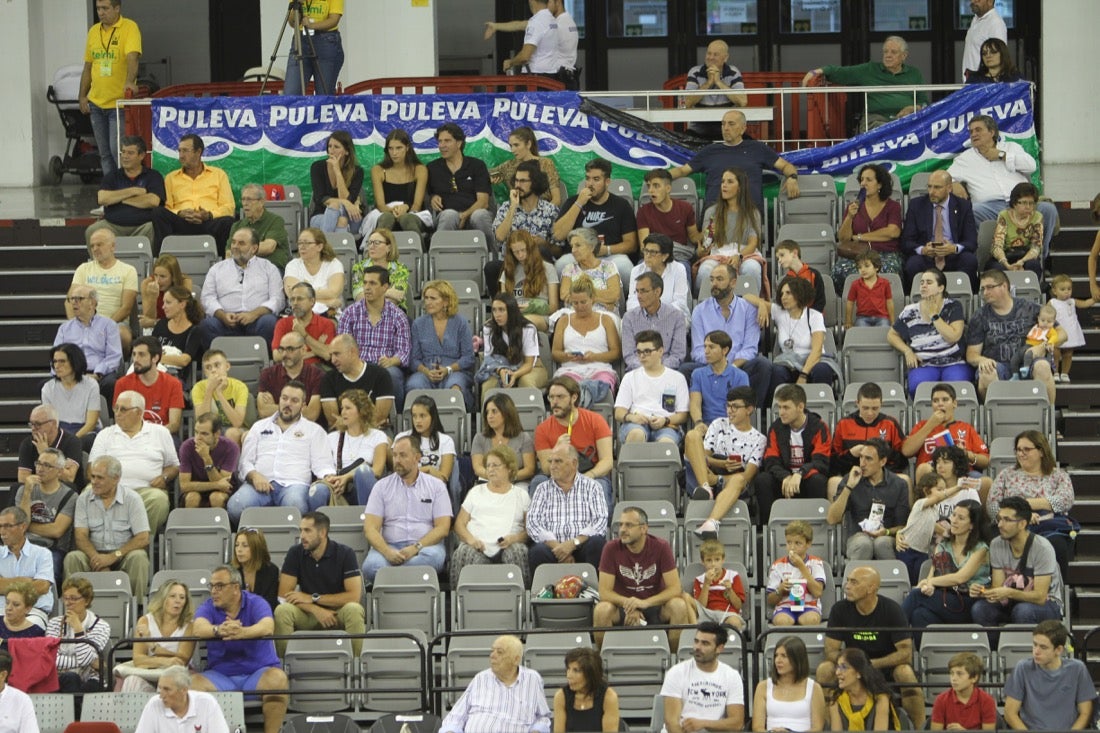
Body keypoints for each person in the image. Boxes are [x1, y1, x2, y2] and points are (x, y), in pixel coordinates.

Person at [817, 566, 924, 728]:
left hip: (884, 667)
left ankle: (919, 729)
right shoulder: (839, 609)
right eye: (847, 581)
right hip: (852, 667)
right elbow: (830, 651)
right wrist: (851, 666)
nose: (847, 586)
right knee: (825, 669)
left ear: (871, 588)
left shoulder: (892, 609)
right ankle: (827, 728)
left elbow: (905, 653)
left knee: (905, 672)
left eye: (854, 582)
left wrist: (871, 665)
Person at [189, 565, 287, 733]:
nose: (213, 591)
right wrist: (219, 630)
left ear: (235, 588)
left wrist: (243, 633)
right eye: (211, 586)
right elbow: (198, 628)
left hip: (257, 674)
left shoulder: (256, 602)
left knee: (277, 680)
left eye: (219, 586)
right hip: (221, 676)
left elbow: (267, 626)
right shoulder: (208, 606)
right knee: (193, 684)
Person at [948, 115, 1058, 258]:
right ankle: (984, 260)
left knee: (1048, 209)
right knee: (971, 210)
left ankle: (1038, 257)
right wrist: (953, 183)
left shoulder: (1011, 148)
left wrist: (1002, 155)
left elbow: (1031, 165)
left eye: (978, 130)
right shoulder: (965, 159)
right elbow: (943, 178)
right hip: (989, 208)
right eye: (971, 132)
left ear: (992, 132)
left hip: (1022, 204)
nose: (973, 134)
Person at [227, 382, 336, 523]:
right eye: (284, 398)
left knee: (296, 507)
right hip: (258, 484)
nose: (288, 403)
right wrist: (254, 476)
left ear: (303, 405)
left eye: (294, 400)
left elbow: (322, 464)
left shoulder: (314, 431)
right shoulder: (259, 427)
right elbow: (245, 462)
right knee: (235, 507)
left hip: (294, 485)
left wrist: (328, 476)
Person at [593, 505, 690, 650]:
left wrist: (644, 603)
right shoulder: (611, 549)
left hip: (655, 605)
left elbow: (675, 589)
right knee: (601, 610)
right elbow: (604, 592)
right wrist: (631, 605)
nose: (622, 530)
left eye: (629, 525)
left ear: (644, 528)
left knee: (679, 606)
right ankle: (602, 662)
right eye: (621, 525)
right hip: (623, 607)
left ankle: (674, 661)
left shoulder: (661, 547)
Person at [361, 435, 452, 583]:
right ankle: (410, 575)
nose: (397, 460)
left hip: (424, 548)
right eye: (395, 455)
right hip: (389, 547)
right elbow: (370, 528)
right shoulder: (381, 487)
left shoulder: (436, 486)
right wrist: (387, 552)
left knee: (433, 559)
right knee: (370, 567)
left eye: (403, 455)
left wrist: (416, 548)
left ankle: (390, 576)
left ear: (417, 458)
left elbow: (443, 528)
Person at [670, 109, 800, 212]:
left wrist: (792, 177)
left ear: (743, 128)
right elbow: (682, 170)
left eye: (731, 124)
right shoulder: (709, 151)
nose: (726, 128)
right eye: (723, 124)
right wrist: (662, 176)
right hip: (715, 214)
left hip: (748, 212)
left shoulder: (757, 148)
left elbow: (785, 166)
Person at [274, 511, 365, 655]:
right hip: (307, 614)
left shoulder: (345, 553)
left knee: (354, 609)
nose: (302, 536)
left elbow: (354, 596)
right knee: (282, 611)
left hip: (337, 613)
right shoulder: (295, 553)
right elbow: (283, 596)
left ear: (322, 533)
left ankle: (356, 665)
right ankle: (284, 665)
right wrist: (316, 609)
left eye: (307, 531)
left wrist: (314, 598)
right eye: (301, 530)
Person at [988, 430, 1076, 577]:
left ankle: (1054, 592)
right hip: (1012, 524)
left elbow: (1064, 501)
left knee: (1058, 544)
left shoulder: (1058, 475)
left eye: (1026, 449)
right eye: (1018, 450)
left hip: (1047, 525)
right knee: (994, 536)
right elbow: (992, 506)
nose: (1021, 454)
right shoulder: (1007, 474)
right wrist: (1022, 515)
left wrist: (1025, 505)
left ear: (1041, 451)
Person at [88, 390, 177, 534]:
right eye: (115, 408)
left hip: (146, 491)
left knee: (159, 499)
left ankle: (140, 543)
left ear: (139, 412)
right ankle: (106, 541)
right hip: (111, 490)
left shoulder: (160, 432)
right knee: (87, 494)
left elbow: (173, 466)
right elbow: (91, 467)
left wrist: (165, 477)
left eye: (123, 409)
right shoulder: (105, 434)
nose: (117, 413)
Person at [970, 496, 1063, 629]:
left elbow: (1040, 597)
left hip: (1047, 604)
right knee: (980, 609)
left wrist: (1008, 592)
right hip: (1012, 602)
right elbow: (998, 586)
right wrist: (983, 591)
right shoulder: (997, 544)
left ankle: (1026, 650)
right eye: (999, 519)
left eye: (1007, 520)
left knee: (1022, 611)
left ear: (1022, 524)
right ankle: (996, 649)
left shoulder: (1042, 548)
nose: (1000, 524)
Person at [64, 455, 150, 597]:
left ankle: (137, 608)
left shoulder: (132, 499)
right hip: (93, 554)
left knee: (139, 557)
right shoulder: (83, 499)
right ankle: (73, 606)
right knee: (73, 557)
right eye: (92, 477)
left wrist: (113, 556)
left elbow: (143, 537)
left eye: (100, 478)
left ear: (116, 479)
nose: (94, 482)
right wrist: (98, 560)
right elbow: (80, 536)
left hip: (123, 555)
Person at [966, 268, 1056, 402]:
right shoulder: (979, 316)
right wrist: (982, 360)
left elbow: (1063, 334)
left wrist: (1044, 346)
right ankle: (994, 419)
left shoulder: (1030, 308)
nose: (985, 293)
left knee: (1042, 366)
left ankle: (1048, 417)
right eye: (983, 289)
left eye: (989, 287)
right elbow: (971, 355)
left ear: (1004, 286)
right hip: (998, 365)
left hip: (1028, 362)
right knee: (986, 373)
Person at [901, 499, 991, 631]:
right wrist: (929, 586)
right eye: (953, 515)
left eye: (961, 518)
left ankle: (890, 634)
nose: (954, 521)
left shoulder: (981, 549)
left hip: (969, 601)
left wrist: (930, 581)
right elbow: (933, 574)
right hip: (944, 598)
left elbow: (960, 578)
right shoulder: (943, 546)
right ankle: (917, 650)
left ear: (972, 525)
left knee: (916, 595)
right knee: (919, 615)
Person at [684, 263, 768, 402]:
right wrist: (716, 362)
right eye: (712, 280)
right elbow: (698, 350)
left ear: (733, 282)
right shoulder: (699, 311)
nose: (714, 284)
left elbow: (750, 348)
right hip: (709, 365)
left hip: (739, 365)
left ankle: (752, 412)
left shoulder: (748, 309)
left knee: (763, 365)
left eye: (719, 279)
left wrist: (731, 366)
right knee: (685, 370)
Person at [802, 36, 928, 128]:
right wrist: (816, 72)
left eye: (893, 52)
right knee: (881, 131)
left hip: (907, 121)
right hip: (876, 120)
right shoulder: (870, 69)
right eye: (885, 51)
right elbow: (842, 72)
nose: (888, 55)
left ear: (904, 56)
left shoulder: (914, 73)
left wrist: (913, 108)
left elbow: (925, 102)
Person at [451, 446, 531, 585]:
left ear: (509, 468)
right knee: (463, 552)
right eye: (488, 466)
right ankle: (460, 603)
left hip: (508, 546)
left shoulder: (521, 494)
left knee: (517, 551)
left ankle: (522, 602)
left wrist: (514, 538)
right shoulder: (476, 492)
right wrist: (471, 540)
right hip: (477, 547)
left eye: (495, 465)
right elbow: (459, 524)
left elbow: (530, 530)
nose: (490, 469)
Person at [552, 158, 638, 285]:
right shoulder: (573, 202)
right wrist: (579, 203)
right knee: (561, 265)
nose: (590, 184)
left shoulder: (621, 205)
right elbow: (558, 235)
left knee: (626, 268)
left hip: (610, 255)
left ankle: (619, 301)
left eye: (596, 179)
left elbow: (631, 244)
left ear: (607, 182)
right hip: (577, 254)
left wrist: (606, 250)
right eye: (587, 178)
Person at [440, 635, 551, 733]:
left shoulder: (532, 679)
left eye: (500, 652)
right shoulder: (481, 679)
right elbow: (454, 717)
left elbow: (543, 717)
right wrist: (450, 731)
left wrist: (537, 730)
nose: (492, 655)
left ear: (516, 659)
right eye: (492, 651)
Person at [532, 376, 614, 509]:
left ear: (574, 398)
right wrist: (555, 450)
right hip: (557, 475)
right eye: (551, 397)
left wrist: (589, 476)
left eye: (560, 397)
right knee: (538, 481)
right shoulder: (543, 429)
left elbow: (607, 461)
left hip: (589, 472)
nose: (554, 402)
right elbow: (546, 469)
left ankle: (600, 529)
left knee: (600, 485)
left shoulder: (595, 420)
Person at [526, 445, 608, 576]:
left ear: (574, 463)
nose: (552, 466)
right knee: (537, 551)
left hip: (582, 546)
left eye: (558, 461)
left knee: (597, 543)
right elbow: (533, 524)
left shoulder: (592, 487)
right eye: (550, 461)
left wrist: (572, 544)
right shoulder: (542, 489)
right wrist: (559, 548)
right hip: (553, 549)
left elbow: (600, 522)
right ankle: (544, 594)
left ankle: (593, 592)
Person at [197, 226, 285, 349]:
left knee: (269, 322)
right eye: (233, 242)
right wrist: (222, 315)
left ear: (254, 248)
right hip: (225, 321)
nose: (235, 246)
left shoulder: (269, 268)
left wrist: (254, 314)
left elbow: (278, 299)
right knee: (207, 325)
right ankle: (217, 364)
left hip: (257, 320)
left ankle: (265, 364)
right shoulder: (217, 269)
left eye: (241, 243)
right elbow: (207, 298)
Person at [79, 0, 140, 175]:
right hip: (96, 103)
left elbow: (132, 58)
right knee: (104, 153)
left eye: (105, 8)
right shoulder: (93, 32)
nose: (101, 12)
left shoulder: (129, 27)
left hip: (118, 104)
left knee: (117, 151)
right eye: (98, 9)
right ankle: (110, 191)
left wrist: (130, 81)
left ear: (117, 8)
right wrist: (82, 96)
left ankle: (124, 189)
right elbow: (88, 67)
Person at [755, 383, 831, 525]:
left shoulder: (819, 427)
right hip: (784, 481)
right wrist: (786, 476)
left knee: (818, 481)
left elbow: (821, 462)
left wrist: (800, 473)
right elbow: (771, 461)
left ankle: (815, 526)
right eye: (779, 407)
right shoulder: (776, 428)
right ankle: (769, 529)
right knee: (763, 480)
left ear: (800, 407)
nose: (781, 412)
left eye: (786, 407)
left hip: (807, 479)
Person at [888, 269, 972, 396]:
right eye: (922, 282)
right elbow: (891, 335)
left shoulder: (953, 306)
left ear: (940, 288)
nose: (923, 285)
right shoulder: (909, 311)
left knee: (956, 387)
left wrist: (934, 315)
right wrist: (907, 351)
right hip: (925, 364)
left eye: (929, 282)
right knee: (918, 387)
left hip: (953, 362)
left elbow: (953, 337)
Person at [1003, 620, 1097, 731]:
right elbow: (1010, 713)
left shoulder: (1077, 669)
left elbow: (1085, 713)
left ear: (1058, 650)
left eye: (1043, 647)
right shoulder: (1022, 668)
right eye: (1034, 645)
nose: (1036, 651)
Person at [686, 384, 762, 522]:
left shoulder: (759, 439)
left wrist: (717, 479)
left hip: (731, 483)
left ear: (749, 410)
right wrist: (722, 463)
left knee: (739, 479)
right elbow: (702, 456)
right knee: (692, 436)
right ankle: (705, 487)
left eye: (735, 406)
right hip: (706, 473)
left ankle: (711, 519)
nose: (730, 411)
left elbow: (747, 477)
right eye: (728, 406)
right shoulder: (718, 424)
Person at [337, 266, 409, 411]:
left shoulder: (398, 316)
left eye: (372, 283)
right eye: (365, 283)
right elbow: (342, 347)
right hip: (357, 363)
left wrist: (391, 360)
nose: (367, 288)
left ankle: (393, 418)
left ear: (385, 287)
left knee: (392, 376)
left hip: (385, 365)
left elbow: (404, 352)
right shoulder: (349, 314)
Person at [152, 134, 236, 256]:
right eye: (179, 151)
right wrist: (180, 213)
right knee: (157, 213)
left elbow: (229, 207)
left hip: (208, 223)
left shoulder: (218, 175)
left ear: (198, 152)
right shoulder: (171, 178)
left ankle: (221, 265)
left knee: (228, 221)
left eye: (185, 151)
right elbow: (168, 207)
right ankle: (163, 261)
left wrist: (208, 215)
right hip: (182, 223)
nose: (181, 156)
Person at [828, 438, 910, 561]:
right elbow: (832, 519)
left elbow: (902, 526)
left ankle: (891, 579)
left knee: (882, 544)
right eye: (861, 457)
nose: (862, 464)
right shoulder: (850, 480)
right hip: (857, 537)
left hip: (886, 536)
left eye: (868, 459)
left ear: (882, 461)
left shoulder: (899, 484)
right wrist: (849, 487)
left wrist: (886, 532)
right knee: (864, 544)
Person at [762, 276, 837, 405]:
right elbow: (747, 297)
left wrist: (803, 375)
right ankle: (781, 409)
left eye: (788, 293)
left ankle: (819, 406)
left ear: (799, 294)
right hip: (789, 362)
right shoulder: (779, 312)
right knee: (777, 371)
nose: (783, 297)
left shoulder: (814, 316)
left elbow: (817, 350)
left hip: (812, 361)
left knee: (822, 370)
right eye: (781, 293)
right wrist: (762, 305)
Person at [660, 622, 745, 733]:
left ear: (719, 648)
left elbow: (737, 723)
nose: (697, 647)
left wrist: (703, 723)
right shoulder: (677, 672)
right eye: (696, 641)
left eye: (705, 643)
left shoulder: (732, 676)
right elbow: (671, 723)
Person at [828, 382, 908, 499]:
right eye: (865, 408)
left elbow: (902, 460)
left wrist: (880, 458)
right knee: (833, 482)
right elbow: (833, 462)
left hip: (883, 477)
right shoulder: (844, 424)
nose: (870, 413)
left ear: (881, 404)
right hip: (851, 475)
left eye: (875, 408)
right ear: (857, 403)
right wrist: (851, 454)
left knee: (905, 479)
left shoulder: (890, 424)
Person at [900, 170, 980, 288]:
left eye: (937, 187)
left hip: (953, 255)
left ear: (949, 188)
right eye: (929, 187)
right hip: (927, 256)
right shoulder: (916, 205)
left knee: (970, 261)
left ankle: (966, 300)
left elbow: (972, 241)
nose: (932, 192)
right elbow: (906, 241)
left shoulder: (963, 206)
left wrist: (954, 248)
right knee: (912, 265)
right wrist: (923, 250)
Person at [834, 163, 904, 293]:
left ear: (879, 185)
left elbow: (893, 232)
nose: (863, 183)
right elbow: (843, 238)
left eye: (869, 180)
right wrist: (849, 217)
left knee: (890, 270)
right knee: (839, 271)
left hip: (885, 253)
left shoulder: (892, 206)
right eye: (862, 180)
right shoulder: (853, 207)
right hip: (857, 254)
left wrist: (860, 237)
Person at [408, 279, 476, 410]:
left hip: (454, 371)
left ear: (446, 301)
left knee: (455, 386)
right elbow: (414, 359)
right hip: (426, 372)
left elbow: (468, 357)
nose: (428, 302)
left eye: (433, 298)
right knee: (414, 385)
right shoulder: (418, 324)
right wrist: (426, 371)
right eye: (426, 298)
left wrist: (448, 369)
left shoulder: (460, 323)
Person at [902, 381, 989, 484]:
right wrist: (930, 424)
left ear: (954, 403)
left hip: (960, 475)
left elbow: (986, 460)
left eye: (945, 400)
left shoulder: (966, 428)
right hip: (932, 474)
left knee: (986, 482)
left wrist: (966, 454)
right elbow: (906, 451)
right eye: (935, 401)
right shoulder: (922, 426)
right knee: (923, 468)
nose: (940, 404)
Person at [14, 448, 75, 594]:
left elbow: (56, 531)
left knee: (47, 572)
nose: (40, 469)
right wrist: (28, 492)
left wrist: (27, 526)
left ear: (59, 472)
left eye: (47, 465)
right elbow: (20, 525)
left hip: (52, 549)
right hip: (24, 545)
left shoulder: (70, 496)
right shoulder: (23, 490)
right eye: (38, 463)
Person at [697, 167, 765, 295]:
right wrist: (702, 250)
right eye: (723, 182)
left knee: (752, 268)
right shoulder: (711, 212)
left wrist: (739, 256)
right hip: (718, 253)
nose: (724, 185)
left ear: (740, 187)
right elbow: (704, 247)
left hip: (744, 254)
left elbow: (752, 243)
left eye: (730, 182)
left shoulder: (752, 213)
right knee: (705, 271)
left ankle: (752, 307)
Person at [613, 330, 688, 446]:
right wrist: (631, 417)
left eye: (647, 351)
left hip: (666, 425)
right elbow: (618, 412)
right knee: (636, 434)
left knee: (666, 443)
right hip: (636, 424)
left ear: (660, 351)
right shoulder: (630, 377)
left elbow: (682, 415)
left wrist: (666, 420)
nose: (642, 356)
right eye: (639, 352)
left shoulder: (677, 378)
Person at [119, 580, 195, 692]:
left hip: (175, 676)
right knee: (132, 681)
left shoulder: (189, 625)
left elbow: (182, 660)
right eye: (173, 596)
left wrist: (154, 647)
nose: (178, 601)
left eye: (182, 597)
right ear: (163, 599)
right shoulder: (145, 621)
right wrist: (166, 661)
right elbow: (139, 659)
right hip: (148, 674)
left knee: (167, 685)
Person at [70, 229, 138, 352]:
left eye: (99, 244)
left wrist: (102, 327)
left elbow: (126, 308)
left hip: (115, 323)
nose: (95, 249)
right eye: (92, 246)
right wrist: (74, 325)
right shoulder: (83, 269)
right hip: (85, 322)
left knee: (121, 334)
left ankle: (116, 370)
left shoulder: (128, 270)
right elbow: (70, 300)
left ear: (112, 246)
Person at [552, 275, 622, 397]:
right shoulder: (563, 321)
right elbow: (555, 353)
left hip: (600, 368)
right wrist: (567, 356)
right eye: (575, 303)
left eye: (583, 302)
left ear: (592, 299)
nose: (579, 306)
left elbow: (616, 352)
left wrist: (595, 356)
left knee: (603, 386)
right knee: (565, 389)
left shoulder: (605, 320)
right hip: (570, 369)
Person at [87, 135, 163, 244]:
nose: (125, 156)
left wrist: (119, 199)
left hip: (143, 226)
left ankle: (149, 261)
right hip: (113, 226)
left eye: (130, 153)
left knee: (154, 228)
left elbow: (153, 201)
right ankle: (100, 262)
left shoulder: (153, 176)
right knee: (92, 231)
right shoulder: (112, 176)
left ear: (141, 155)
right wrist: (133, 191)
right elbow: (102, 199)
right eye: (123, 152)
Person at [427, 122, 494, 244]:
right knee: (449, 215)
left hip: (473, 214)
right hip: (445, 217)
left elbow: (483, 202)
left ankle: (493, 260)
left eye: (447, 141)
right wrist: (432, 197)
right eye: (440, 141)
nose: (442, 145)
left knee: (479, 215)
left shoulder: (477, 166)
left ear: (459, 143)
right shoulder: (432, 168)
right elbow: (426, 195)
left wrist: (464, 215)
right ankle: (439, 260)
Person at [55, 287, 123, 403]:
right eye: (72, 299)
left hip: (100, 374)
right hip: (71, 373)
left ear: (92, 303)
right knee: (44, 386)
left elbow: (114, 356)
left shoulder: (109, 325)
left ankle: (111, 419)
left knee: (111, 384)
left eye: (79, 299)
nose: (74, 303)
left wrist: (97, 374)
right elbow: (55, 356)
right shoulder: (64, 328)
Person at [47, 576, 111, 692]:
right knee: (70, 678)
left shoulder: (101, 626)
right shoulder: (54, 623)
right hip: (61, 677)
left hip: (90, 678)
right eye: (65, 598)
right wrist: (89, 662)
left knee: (89, 686)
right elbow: (50, 659)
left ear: (86, 601)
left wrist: (78, 629)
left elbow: (85, 657)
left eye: (74, 598)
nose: (68, 603)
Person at [751, 636, 827, 733]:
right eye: (776, 655)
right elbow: (757, 727)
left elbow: (817, 728)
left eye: (784, 656)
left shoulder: (814, 688)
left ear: (797, 659)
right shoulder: (763, 687)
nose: (778, 660)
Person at [395, 395, 461, 504]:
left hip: (434, 490)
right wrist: (428, 469)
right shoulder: (402, 438)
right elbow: (398, 473)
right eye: (414, 416)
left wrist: (414, 472)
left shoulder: (446, 441)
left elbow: (443, 477)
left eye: (422, 416)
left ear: (432, 417)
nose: (417, 421)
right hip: (406, 489)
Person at [327, 389, 389, 505]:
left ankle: (370, 518)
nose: (343, 412)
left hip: (364, 485)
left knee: (363, 471)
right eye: (342, 408)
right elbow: (325, 468)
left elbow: (377, 470)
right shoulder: (332, 438)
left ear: (361, 411)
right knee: (318, 491)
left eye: (348, 408)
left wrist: (348, 477)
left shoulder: (377, 436)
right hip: (339, 489)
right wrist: (333, 479)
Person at [113, 336, 185, 434]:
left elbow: (174, 424)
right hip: (131, 436)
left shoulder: (173, 384)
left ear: (155, 358)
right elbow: (120, 420)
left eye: (141, 355)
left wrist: (150, 437)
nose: (136, 359)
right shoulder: (122, 384)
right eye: (134, 354)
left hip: (162, 436)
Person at [322, 333, 395, 428]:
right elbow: (333, 420)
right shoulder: (328, 379)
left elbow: (379, 417)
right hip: (343, 434)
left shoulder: (381, 375)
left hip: (374, 434)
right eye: (331, 355)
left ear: (352, 352)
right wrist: (364, 421)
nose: (333, 360)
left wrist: (347, 422)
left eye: (337, 354)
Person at [480, 293, 548, 394]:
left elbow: (529, 363)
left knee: (526, 382)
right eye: (494, 310)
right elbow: (489, 359)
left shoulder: (528, 328)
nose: (497, 314)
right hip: (499, 367)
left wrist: (514, 374)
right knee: (488, 386)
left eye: (501, 310)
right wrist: (501, 371)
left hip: (530, 368)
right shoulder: (488, 328)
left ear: (511, 311)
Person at [765, 521, 827, 627]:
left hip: (809, 607)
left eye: (798, 543)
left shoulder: (816, 563)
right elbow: (770, 600)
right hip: (785, 607)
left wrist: (802, 567)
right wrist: (780, 590)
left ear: (808, 544)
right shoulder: (778, 565)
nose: (792, 547)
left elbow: (817, 592)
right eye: (789, 542)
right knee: (782, 622)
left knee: (811, 620)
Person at [133, 665, 230, 733]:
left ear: (184, 690)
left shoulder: (208, 703)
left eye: (167, 689)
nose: (161, 695)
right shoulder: (154, 704)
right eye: (160, 688)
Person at [0, 507, 54, 628]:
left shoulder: (42, 554)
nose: (2, 532)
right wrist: (26, 581)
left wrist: (6, 584)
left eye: (8, 526)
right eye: (0, 526)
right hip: (2, 611)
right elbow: (35, 586)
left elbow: (42, 587)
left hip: (34, 612)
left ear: (23, 527)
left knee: (29, 628)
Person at [622, 272, 687, 372]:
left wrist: (659, 369)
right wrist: (646, 369)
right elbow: (629, 355)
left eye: (643, 291)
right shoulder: (629, 318)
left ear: (657, 291)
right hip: (638, 372)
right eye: (637, 291)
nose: (639, 296)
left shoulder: (676, 317)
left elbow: (678, 354)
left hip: (668, 372)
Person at [636, 168, 701, 266]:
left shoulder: (685, 208)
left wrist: (708, 231)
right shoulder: (644, 211)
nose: (651, 190)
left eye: (656, 186)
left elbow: (694, 237)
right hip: (653, 257)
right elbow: (643, 245)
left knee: (683, 269)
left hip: (678, 258)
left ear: (668, 188)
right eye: (649, 186)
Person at [682, 40, 747, 139]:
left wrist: (719, 82)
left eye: (715, 54)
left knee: (747, 143)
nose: (711, 57)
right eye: (709, 53)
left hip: (726, 125)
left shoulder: (733, 72)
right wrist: (708, 83)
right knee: (683, 143)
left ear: (725, 58)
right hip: (699, 127)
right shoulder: (695, 72)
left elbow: (742, 101)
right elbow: (688, 103)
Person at [369, 128, 428, 234]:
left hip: (413, 214)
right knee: (387, 218)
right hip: (386, 213)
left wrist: (406, 208)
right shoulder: (378, 170)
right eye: (390, 148)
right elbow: (380, 205)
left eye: (399, 148)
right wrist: (393, 211)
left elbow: (417, 205)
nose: (394, 153)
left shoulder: (420, 169)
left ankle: (419, 249)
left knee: (407, 219)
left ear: (407, 148)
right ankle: (377, 248)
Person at [471, 394, 536, 489]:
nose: (489, 416)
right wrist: (494, 477)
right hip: (487, 481)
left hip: (517, 482)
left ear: (506, 413)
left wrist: (506, 477)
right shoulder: (479, 438)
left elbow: (529, 469)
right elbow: (478, 468)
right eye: (487, 412)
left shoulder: (523, 438)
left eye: (494, 411)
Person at [41, 343, 102, 444]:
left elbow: (91, 423)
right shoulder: (48, 388)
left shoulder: (91, 385)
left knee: (89, 441)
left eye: (62, 361)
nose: (57, 366)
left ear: (75, 362)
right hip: (60, 431)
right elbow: (50, 423)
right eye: (55, 361)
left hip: (86, 432)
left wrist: (71, 441)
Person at [257, 331, 324, 423]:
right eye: (281, 349)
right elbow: (263, 411)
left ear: (303, 350)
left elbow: (311, 415)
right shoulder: (268, 374)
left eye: (290, 349)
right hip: (275, 429)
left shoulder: (317, 375)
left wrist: (275, 406)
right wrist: (300, 409)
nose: (284, 354)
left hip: (306, 431)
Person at [500, 229, 560, 331]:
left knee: (522, 323)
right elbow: (502, 303)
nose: (520, 255)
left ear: (530, 248)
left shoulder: (548, 268)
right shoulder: (508, 271)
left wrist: (533, 306)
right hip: (514, 315)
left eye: (523, 250)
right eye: (516, 252)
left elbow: (554, 307)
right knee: (490, 326)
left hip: (540, 316)